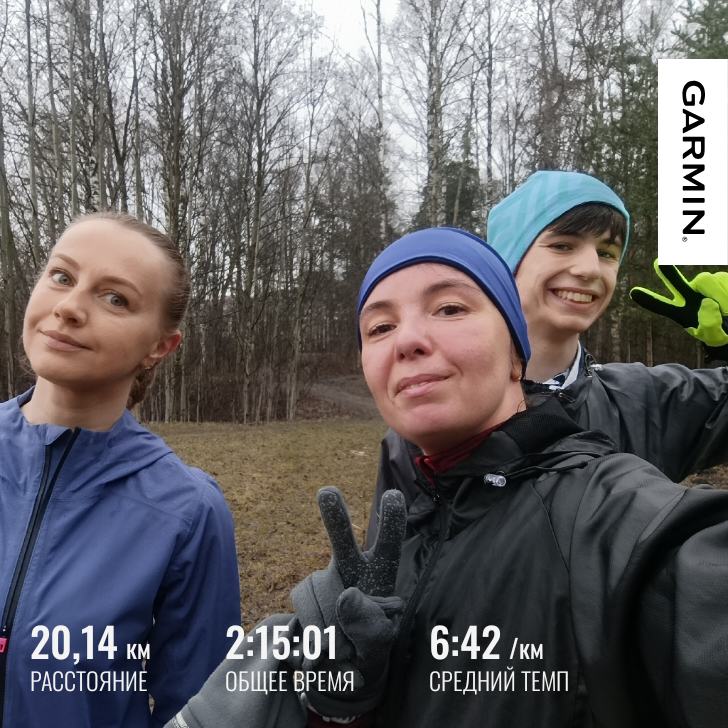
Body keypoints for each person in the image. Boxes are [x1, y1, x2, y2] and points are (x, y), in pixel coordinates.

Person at [166, 229, 728, 728]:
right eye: (380, 326)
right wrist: (339, 704)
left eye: (450, 308)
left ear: (517, 357)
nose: (406, 339)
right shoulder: (415, 519)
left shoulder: (614, 519)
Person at [366, 171, 728, 547]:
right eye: (563, 245)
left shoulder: (647, 399)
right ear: (507, 266)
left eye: (606, 253)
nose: (590, 269)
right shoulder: (434, 415)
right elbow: (392, 564)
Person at [0, 212, 241, 728]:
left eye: (115, 298)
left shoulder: (188, 512)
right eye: (61, 276)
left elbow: (202, 712)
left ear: (159, 346)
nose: (68, 307)